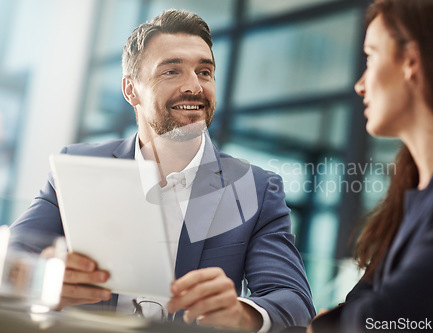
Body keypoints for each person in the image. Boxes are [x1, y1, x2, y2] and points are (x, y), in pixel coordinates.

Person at [9, 9, 315, 332]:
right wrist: (46, 279)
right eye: (172, 71)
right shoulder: (77, 167)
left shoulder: (255, 188)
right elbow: (12, 261)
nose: (195, 87)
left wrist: (241, 313)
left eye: (205, 71)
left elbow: (293, 300)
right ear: (131, 90)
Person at [308, 0, 433, 332]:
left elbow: (388, 318)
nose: (360, 85)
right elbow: (363, 307)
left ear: (412, 60)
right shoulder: (412, 190)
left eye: (371, 57)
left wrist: (335, 322)